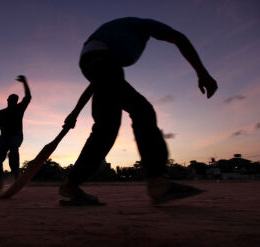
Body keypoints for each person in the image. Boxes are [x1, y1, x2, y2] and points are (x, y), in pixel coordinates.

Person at [60, 17, 218, 204]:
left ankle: (72, 185)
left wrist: (75, 113)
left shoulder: (109, 44)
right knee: (123, 119)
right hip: (103, 61)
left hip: (93, 62)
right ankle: (157, 182)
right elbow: (179, 38)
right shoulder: (145, 25)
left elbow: (98, 83)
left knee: (129, 115)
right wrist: (202, 73)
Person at [0, 75, 31, 191]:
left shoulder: (19, 108)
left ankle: (16, 178)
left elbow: (28, 97)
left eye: (15, 99)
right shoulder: (1, 113)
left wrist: (24, 82)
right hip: (3, 137)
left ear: (17, 101)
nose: (13, 101)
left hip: (16, 136)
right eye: (11, 99)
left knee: (13, 150)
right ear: (7, 100)